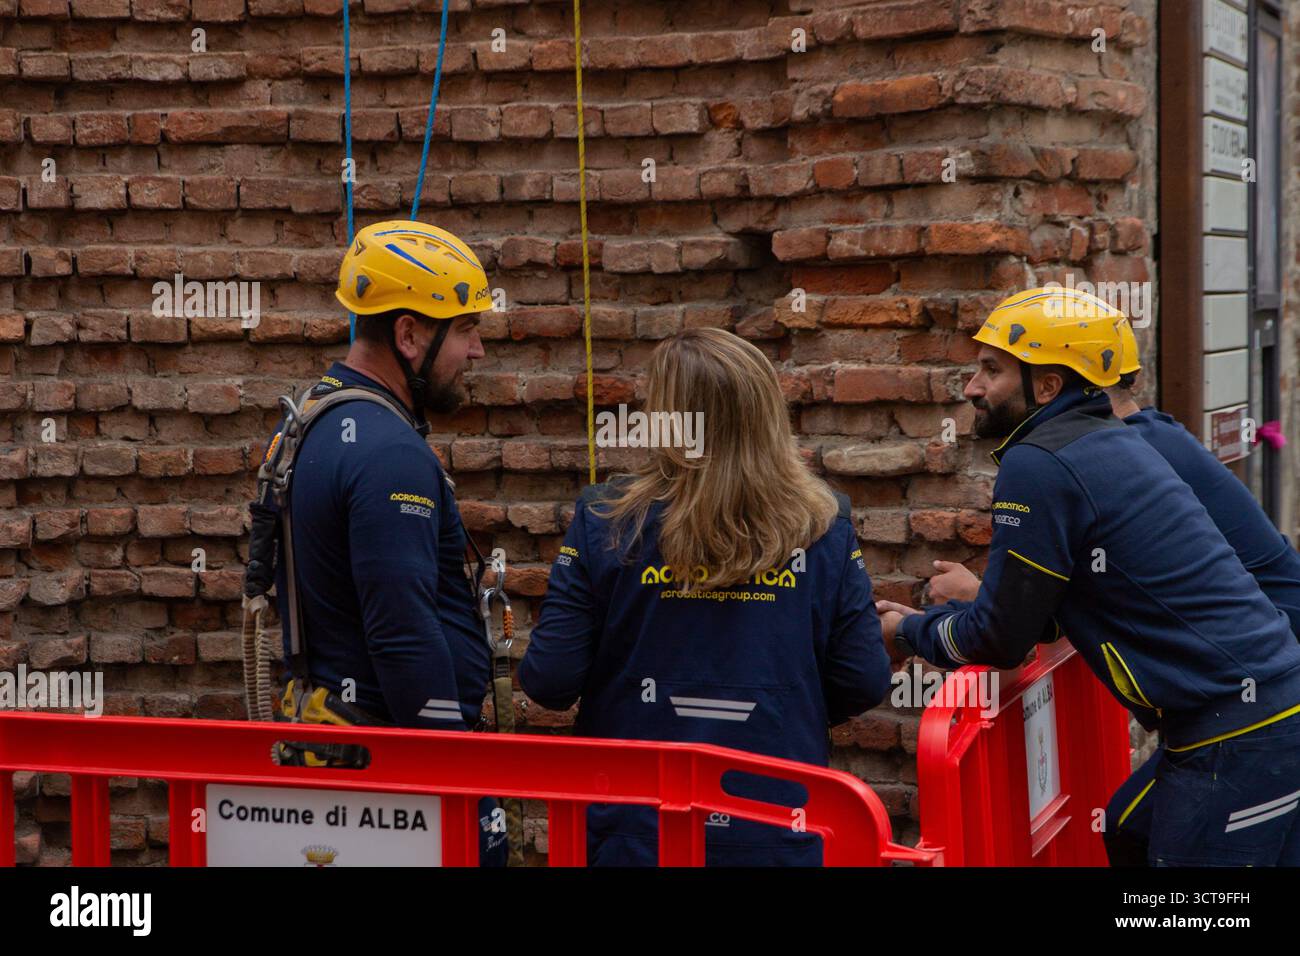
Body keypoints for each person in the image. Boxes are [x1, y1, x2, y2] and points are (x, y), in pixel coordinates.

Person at [878, 287, 1300, 866]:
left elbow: (1001, 640)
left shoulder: (1039, 463)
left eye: (991, 370)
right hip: (1249, 712)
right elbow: (1051, 613)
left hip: (1242, 730)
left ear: (1047, 386)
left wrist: (907, 633)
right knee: (1129, 831)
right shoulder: (1107, 439)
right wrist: (962, 615)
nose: (972, 387)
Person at [519, 328, 892, 866]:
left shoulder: (607, 516)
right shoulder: (824, 522)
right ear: (766, 413)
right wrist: (783, 703)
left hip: (634, 828)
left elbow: (549, 680)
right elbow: (862, 680)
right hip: (778, 824)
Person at [250, 219, 505, 863]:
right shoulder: (389, 453)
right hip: (389, 780)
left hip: (332, 748)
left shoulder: (314, 417)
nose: (477, 352)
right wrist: (456, 780)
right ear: (409, 334)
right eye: (468, 329)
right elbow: (402, 630)